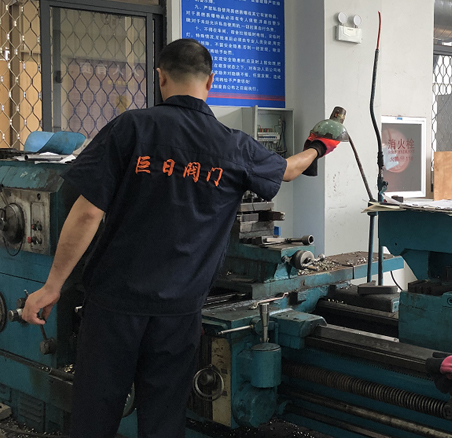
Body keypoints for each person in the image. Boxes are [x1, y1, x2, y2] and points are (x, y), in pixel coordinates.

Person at [21, 39, 337, 437]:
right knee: (164, 419)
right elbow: (288, 170)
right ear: (211, 82)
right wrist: (318, 147)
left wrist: (53, 286)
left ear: (161, 77)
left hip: (114, 305)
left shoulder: (130, 128)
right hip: (180, 310)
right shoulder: (234, 145)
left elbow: (86, 213)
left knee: (94, 415)